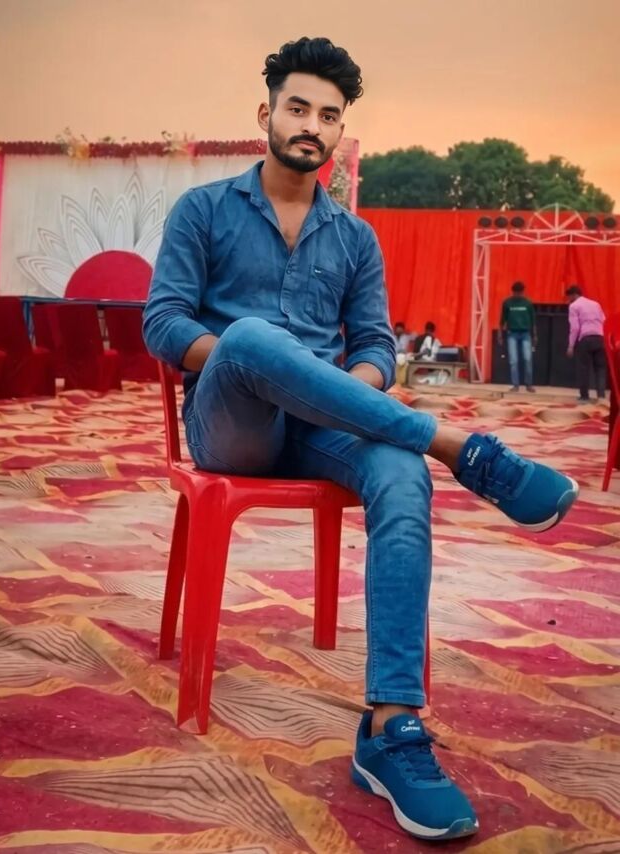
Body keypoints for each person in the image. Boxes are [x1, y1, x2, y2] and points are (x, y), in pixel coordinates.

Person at [143, 36, 579, 842]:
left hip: (322, 427)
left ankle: (390, 728)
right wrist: (255, 360)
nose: (311, 125)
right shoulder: (202, 211)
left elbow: (375, 346)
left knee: (402, 474)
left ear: (341, 131)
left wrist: (345, 390)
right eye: (298, 108)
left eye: (328, 115)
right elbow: (163, 323)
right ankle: (460, 447)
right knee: (251, 338)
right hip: (231, 425)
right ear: (266, 113)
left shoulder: (356, 238)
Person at [565, 285, 606, 403]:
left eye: (569, 297)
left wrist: (571, 345)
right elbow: (603, 320)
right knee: (600, 369)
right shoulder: (596, 304)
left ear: (573, 295)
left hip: (586, 339)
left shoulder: (574, 306)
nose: (568, 300)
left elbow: (575, 328)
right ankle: (601, 396)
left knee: (584, 369)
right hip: (599, 337)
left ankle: (584, 396)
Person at [499, 281, 536, 392]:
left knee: (527, 359)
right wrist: (500, 335)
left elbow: (533, 321)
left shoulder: (528, 303)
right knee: (513, 360)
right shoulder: (507, 303)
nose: (518, 295)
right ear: (513, 292)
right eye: (516, 293)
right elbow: (502, 320)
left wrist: (535, 335)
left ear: (523, 292)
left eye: (520, 292)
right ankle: (516, 385)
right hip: (512, 334)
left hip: (525, 334)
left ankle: (529, 384)